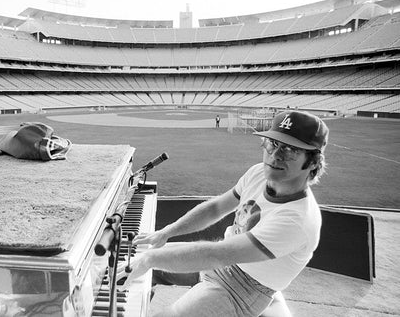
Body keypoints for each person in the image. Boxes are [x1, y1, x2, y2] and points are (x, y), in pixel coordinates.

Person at [119, 110, 329, 317]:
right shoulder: (258, 173)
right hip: (223, 261)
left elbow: (218, 255)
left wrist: (150, 259)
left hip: (242, 289)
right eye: (272, 144)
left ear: (312, 162)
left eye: (290, 150)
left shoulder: (297, 219)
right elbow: (216, 208)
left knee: (150, 266)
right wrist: (167, 232)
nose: (275, 156)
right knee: (138, 262)